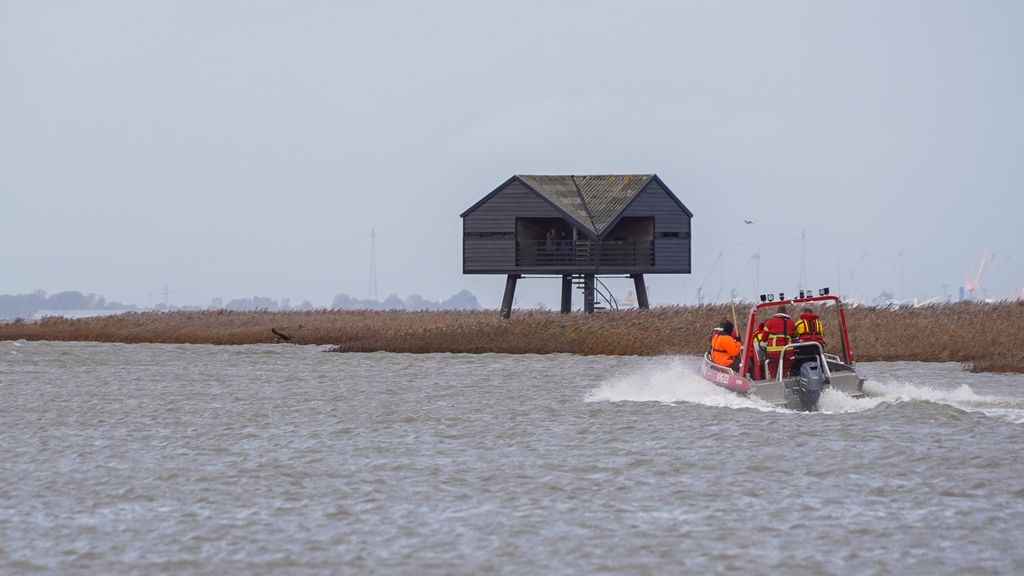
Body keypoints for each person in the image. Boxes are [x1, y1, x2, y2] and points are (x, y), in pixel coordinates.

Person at [763, 306, 796, 378]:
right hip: (788, 352)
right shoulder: (792, 322)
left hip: (774, 352)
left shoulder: (770, 322)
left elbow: (764, 338)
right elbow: (793, 335)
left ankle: (774, 384)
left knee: (773, 372)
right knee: (785, 370)